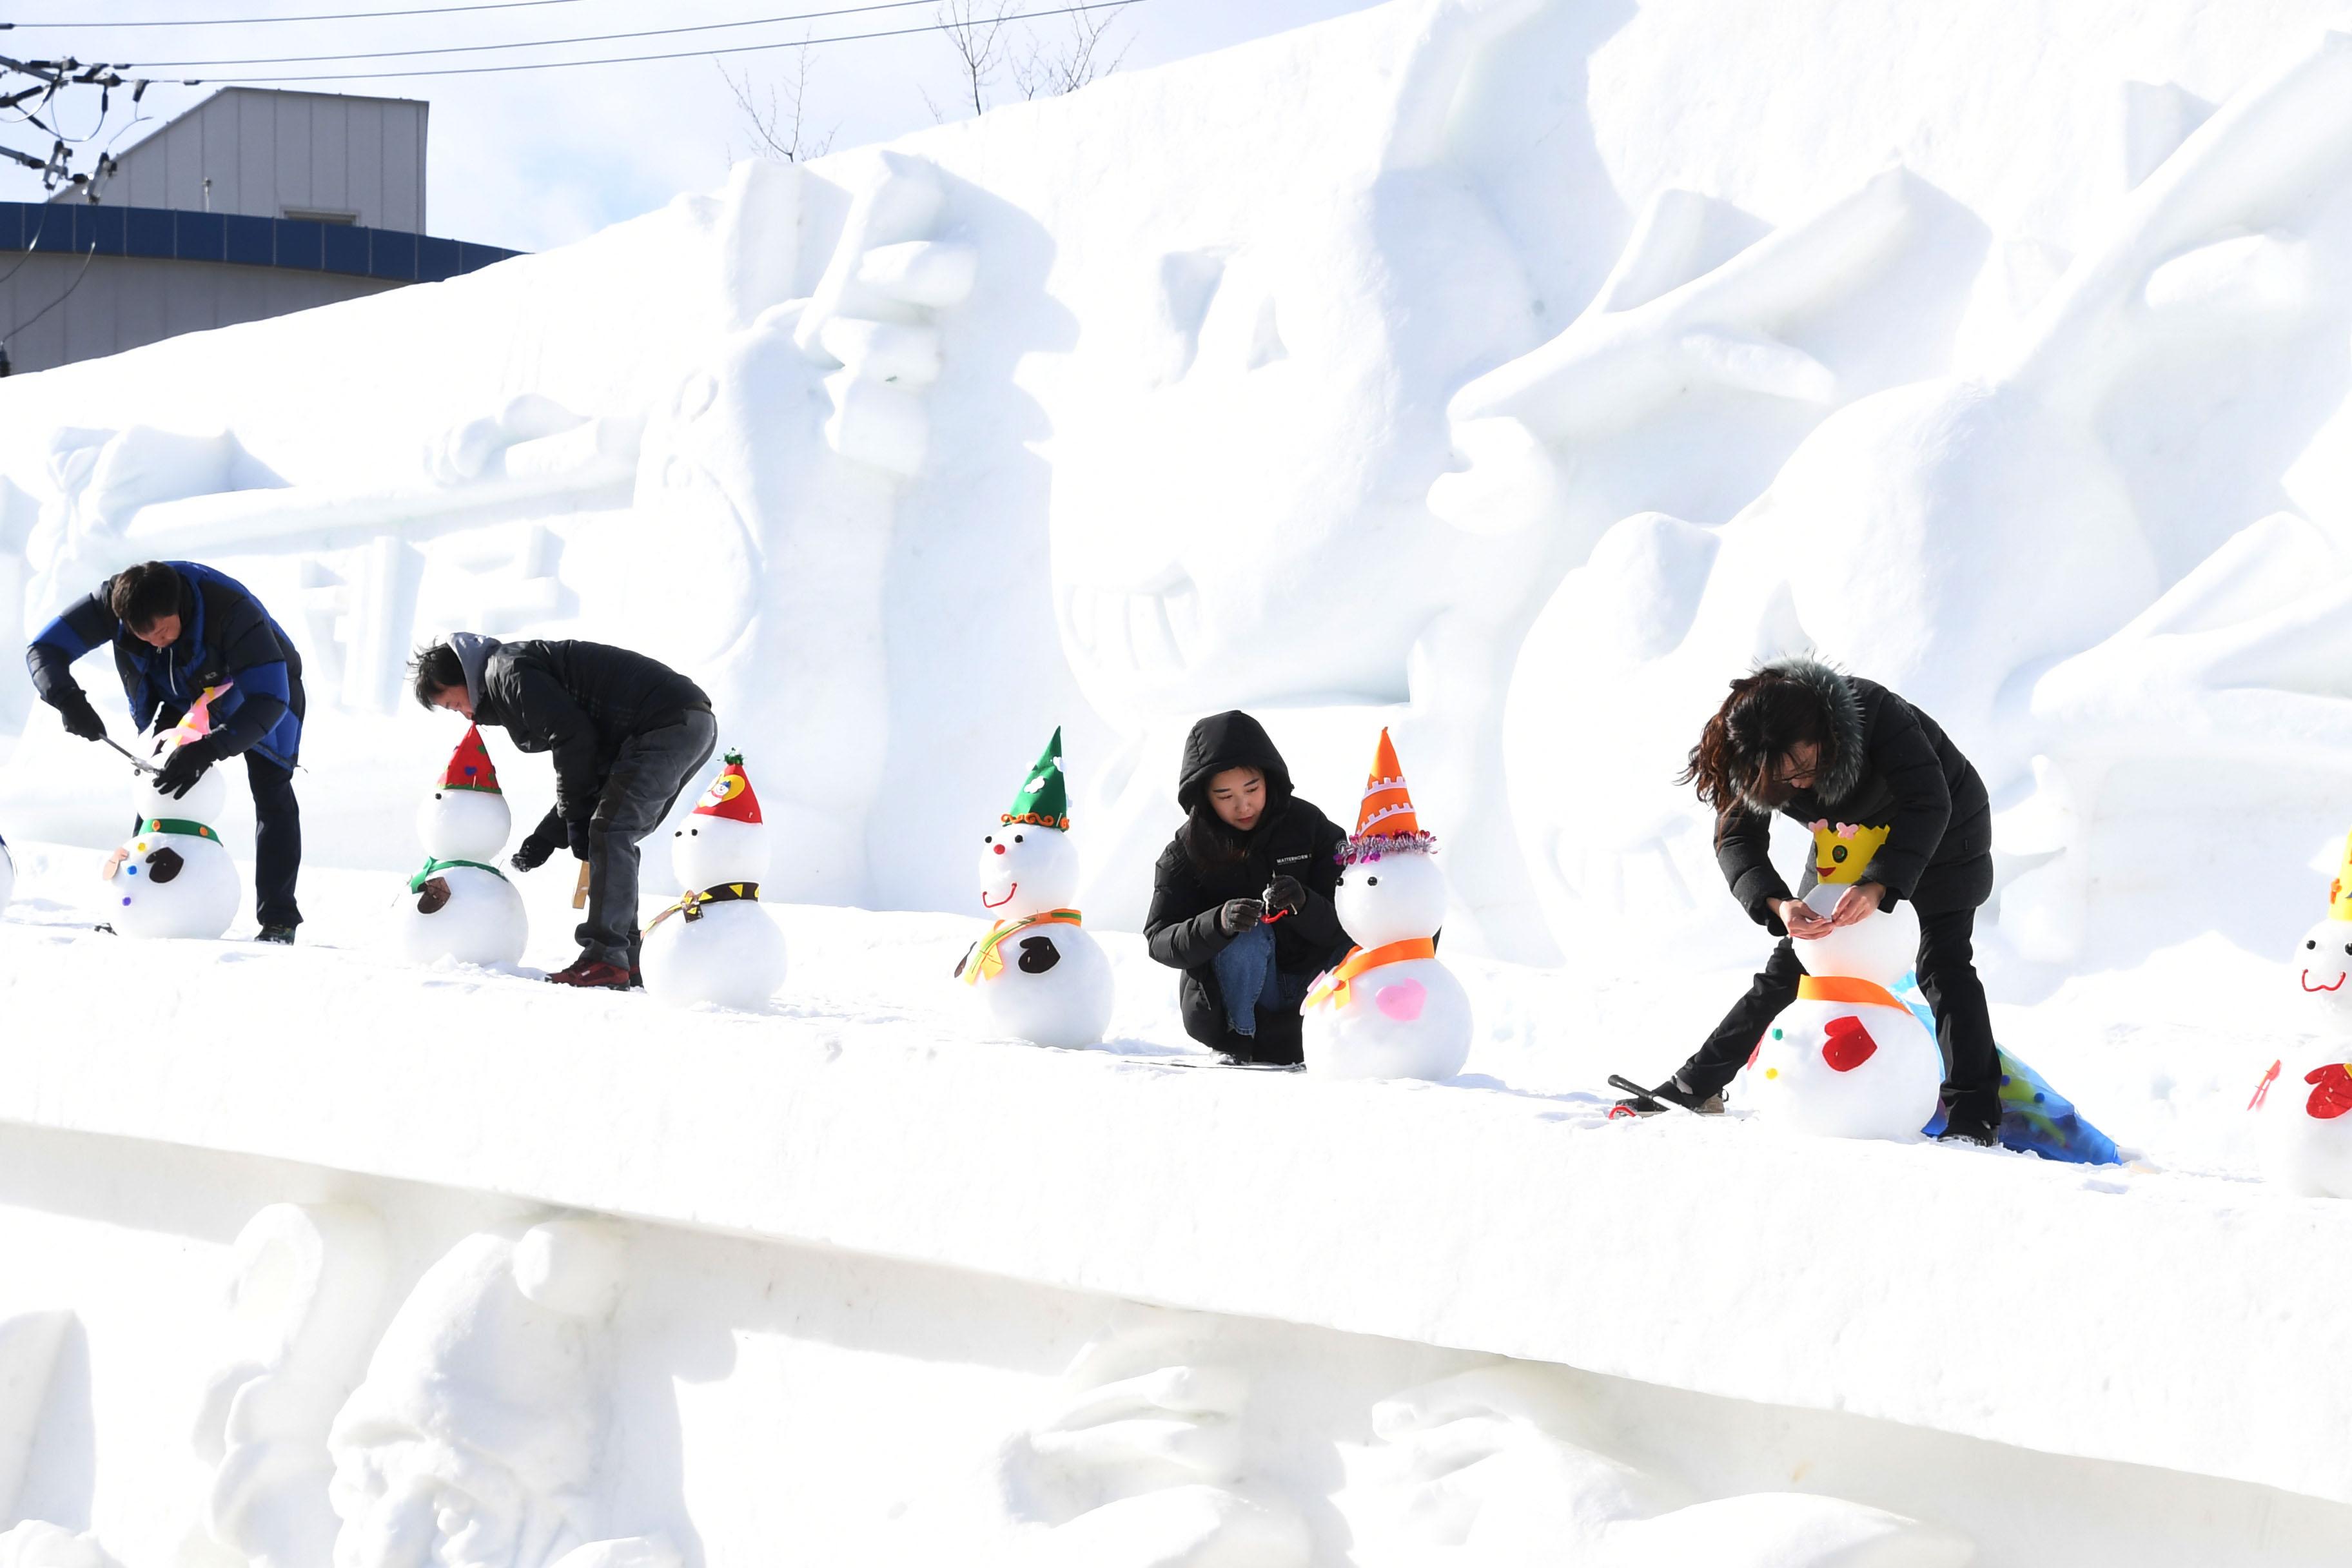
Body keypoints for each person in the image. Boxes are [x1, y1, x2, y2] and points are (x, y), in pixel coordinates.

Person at [1619, 656, 2000, 1144]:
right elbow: (1736, 842)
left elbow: (1931, 800)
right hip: (1846, 842)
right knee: (1796, 963)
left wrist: (1880, 884)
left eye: (1806, 766)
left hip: (1944, 832)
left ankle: (1974, 1116)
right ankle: (1698, 1085)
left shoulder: (1874, 711)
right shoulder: (1757, 751)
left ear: (1825, 731)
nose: (1799, 783)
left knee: (1943, 965)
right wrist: (1780, 905)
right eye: (1784, 777)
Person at [407, 634, 714, 988]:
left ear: (461, 676)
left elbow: (571, 738)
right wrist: (547, 837)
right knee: (613, 830)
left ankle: (604, 957)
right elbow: (590, 763)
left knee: (611, 831)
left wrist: (577, 821)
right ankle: (625, 958)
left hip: (666, 723)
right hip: (684, 722)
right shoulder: (510, 671)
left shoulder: (507, 671)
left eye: (452, 704)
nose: (463, 714)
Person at [25, 559, 307, 942]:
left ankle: (279, 920)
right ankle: (135, 907)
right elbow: (44, 649)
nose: (155, 640)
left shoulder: (232, 610)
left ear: (180, 608)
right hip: (182, 689)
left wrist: (211, 748)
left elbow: (271, 698)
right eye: (143, 636)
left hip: (261, 688)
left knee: (271, 790)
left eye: (163, 630)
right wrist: (67, 698)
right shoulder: (113, 603)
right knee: (158, 790)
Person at [1144, 710, 1353, 1064]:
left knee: (1381, 917)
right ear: (1204, 796)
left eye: (1252, 789)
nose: (1243, 805)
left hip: (1317, 985)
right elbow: (1159, 939)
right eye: (1224, 795)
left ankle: (1353, 1035)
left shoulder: (1311, 826)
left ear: (1269, 780)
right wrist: (1218, 924)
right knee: (1247, 932)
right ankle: (1238, 1045)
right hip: (1242, 1001)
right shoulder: (1185, 850)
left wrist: (1304, 903)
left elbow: (1350, 921)